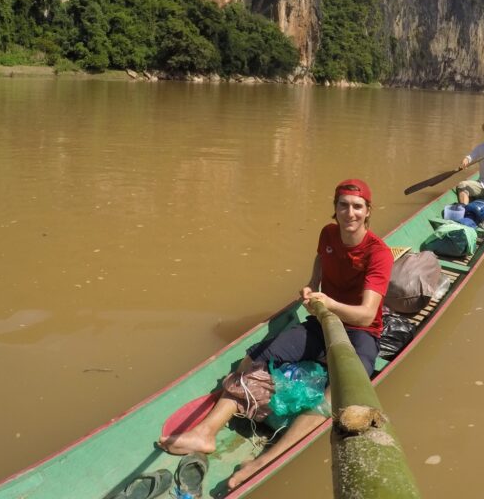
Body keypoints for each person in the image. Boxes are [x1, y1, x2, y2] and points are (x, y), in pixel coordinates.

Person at [157, 178, 393, 489]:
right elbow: (322, 257)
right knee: (253, 359)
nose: (350, 213)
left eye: (357, 207)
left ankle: (262, 461)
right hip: (322, 322)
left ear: (367, 212)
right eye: (343, 206)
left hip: (360, 333)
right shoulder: (328, 233)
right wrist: (313, 284)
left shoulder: (379, 253)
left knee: (335, 396)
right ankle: (206, 432)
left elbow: (365, 313)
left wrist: (329, 303)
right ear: (334, 209)